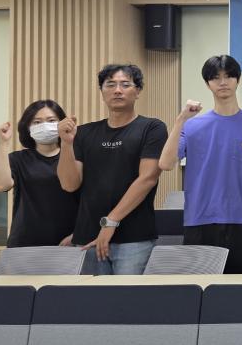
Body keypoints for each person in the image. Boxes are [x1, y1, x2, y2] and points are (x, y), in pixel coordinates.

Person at [158, 55, 242, 274]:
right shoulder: (191, 126)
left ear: (238, 80)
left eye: (229, 76)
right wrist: (180, 120)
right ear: (207, 83)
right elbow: (165, 163)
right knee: (202, 287)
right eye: (215, 77)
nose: (223, 82)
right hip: (200, 220)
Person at [57, 64, 166, 275]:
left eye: (125, 84)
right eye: (110, 85)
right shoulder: (84, 133)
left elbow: (148, 178)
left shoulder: (152, 128)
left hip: (133, 238)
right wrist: (66, 144)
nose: (117, 90)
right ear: (101, 91)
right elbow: (69, 184)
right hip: (88, 237)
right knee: (91, 296)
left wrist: (110, 222)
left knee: (126, 295)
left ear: (138, 91)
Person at [0, 100, 79, 247]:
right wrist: (3, 142)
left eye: (51, 121)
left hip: (67, 242)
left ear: (62, 123)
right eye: (37, 122)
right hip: (24, 243)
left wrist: (78, 234)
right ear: (28, 127)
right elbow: (2, 185)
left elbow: (90, 201)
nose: (44, 126)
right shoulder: (17, 159)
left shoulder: (76, 157)